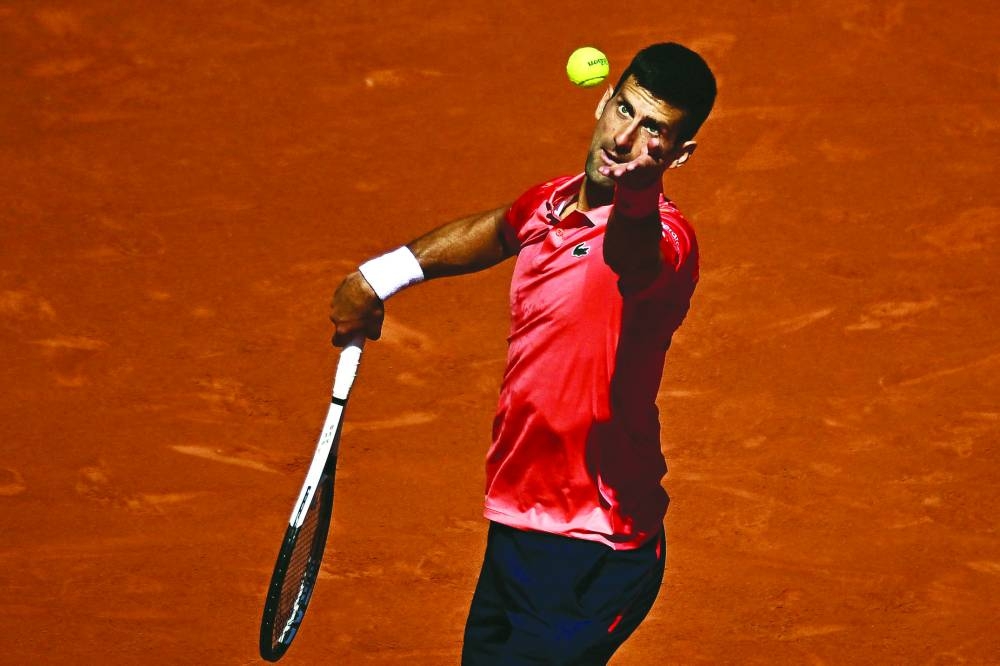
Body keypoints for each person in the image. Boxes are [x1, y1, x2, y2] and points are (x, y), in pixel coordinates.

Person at [330, 42, 717, 665]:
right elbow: (496, 230)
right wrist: (380, 276)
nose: (626, 138)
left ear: (680, 154)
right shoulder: (551, 202)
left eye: (655, 132)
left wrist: (640, 192)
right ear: (603, 101)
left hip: (597, 545)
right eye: (625, 110)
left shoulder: (667, 241)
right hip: (518, 518)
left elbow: (631, 257)